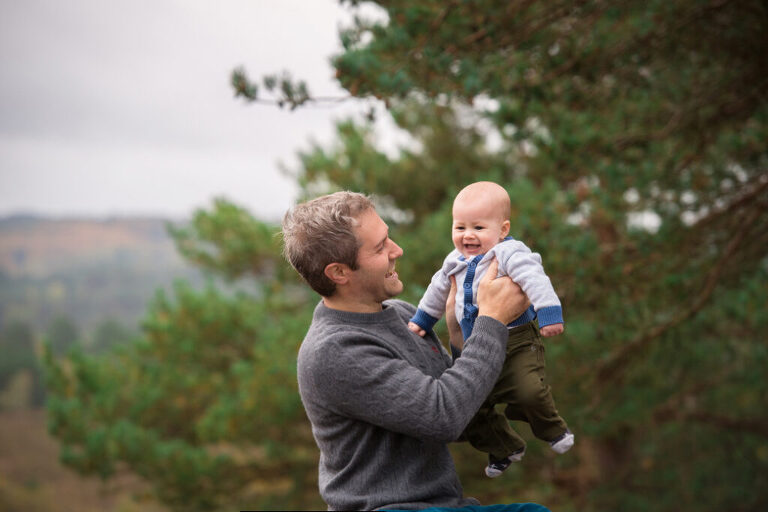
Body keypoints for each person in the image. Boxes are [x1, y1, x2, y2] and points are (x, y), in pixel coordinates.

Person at [282, 191, 548, 511]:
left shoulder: (402, 314)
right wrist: (491, 320)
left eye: (388, 238)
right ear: (339, 272)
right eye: (380, 247)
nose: (397, 250)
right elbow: (444, 416)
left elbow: (463, 412)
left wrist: (460, 338)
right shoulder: (334, 351)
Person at [408, 181, 574, 478]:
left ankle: (552, 429)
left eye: (479, 228)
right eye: (460, 228)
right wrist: (422, 320)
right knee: (469, 410)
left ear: (503, 229)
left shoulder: (510, 254)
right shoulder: (453, 260)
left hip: (515, 342)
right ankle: (503, 447)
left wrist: (549, 313)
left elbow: (535, 279)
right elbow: (436, 290)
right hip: (473, 347)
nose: (468, 235)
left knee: (530, 391)